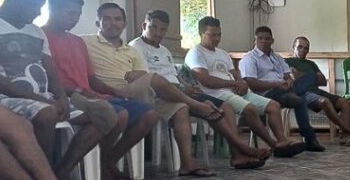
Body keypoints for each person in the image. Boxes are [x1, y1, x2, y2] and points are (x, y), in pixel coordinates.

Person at [0, 0, 102, 180]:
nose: (37, 12)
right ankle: (42, 179)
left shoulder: (35, 31)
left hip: (42, 98)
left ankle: (58, 172)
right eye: (33, 5)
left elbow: (51, 71)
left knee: (101, 117)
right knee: (46, 113)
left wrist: (61, 97)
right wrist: (44, 101)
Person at [44, 0, 160, 180]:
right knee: (118, 115)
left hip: (90, 94)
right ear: (53, 9)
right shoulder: (42, 37)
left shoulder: (76, 41)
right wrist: (80, 92)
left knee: (150, 114)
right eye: (71, 13)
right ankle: (70, 170)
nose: (75, 19)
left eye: (78, 14)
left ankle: (106, 162)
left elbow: (90, 78)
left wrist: (114, 91)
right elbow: (46, 78)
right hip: (66, 95)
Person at [129, 9, 269, 170]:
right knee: (208, 107)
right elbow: (149, 79)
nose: (158, 33)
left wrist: (185, 85)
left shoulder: (164, 50)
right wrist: (181, 89)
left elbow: (173, 74)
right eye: (153, 27)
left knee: (225, 107)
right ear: (144, 26)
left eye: (163, 29)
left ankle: (237, 154)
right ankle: (242, 149)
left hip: (179, 91)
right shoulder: (136, 47)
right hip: (159, 94)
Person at [186, 17, 305, 157]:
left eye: (219, 34)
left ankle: (282, 140)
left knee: (273, 106)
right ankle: (274, 146)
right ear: (201, 33)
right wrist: (234, 83)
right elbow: (206, 81)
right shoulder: (196, 53)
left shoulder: (223, 53)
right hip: (217, 93)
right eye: (212, 35)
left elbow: (235, 75)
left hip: (235, 91)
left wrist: (241, 83)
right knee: (250, 108)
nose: (217, 39)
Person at [240, 27, 328, 152]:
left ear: (272, 41)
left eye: (267, 39)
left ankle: (294, 94)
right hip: (266, 94)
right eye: (260, 38)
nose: (263, 41)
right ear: (255, 40)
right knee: (300, 99)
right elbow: (252, 84)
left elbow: (287, 75)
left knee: (311, 76)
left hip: (285, 90)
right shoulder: (249, 58)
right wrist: (276, 85)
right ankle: (310, 140)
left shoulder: (277, 58)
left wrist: (289, 81)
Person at [283, 35, 350, 146]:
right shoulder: (286, 62)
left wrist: (305, 75)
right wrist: (312, 76)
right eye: (300, 47)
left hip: (316, 91)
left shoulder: (311, 64)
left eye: (306, 48)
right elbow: (294, 77)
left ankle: (345, 137)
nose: (303, 50)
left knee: (345, 103)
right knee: (324, 101)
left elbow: (323, 81)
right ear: (293, 47)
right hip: (301, 93)